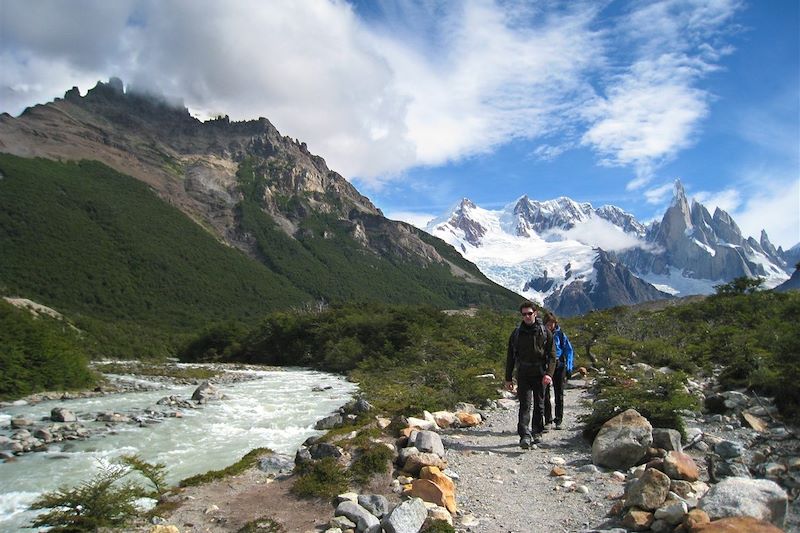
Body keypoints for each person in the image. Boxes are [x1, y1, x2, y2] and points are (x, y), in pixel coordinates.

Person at [504, 301, 555, 449]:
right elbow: (510, 357)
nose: (527, 316)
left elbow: (552, 356)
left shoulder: (546, 332)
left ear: (535, 313)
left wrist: (549, 374)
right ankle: (524, 435)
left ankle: (537, 432)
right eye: (524, 314)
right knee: (525, 405)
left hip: (540, 373)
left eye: (529, 313)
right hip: (524, 373)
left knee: (539, 405)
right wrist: (508, 378)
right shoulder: (516, 333)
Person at [543, 314, 574, 430]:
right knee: (545, 394)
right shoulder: (541, 333)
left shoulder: (560, 334)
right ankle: (548, 420)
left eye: (552, 323)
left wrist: (569, 367)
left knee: (559, 393)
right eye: (548, 323)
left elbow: (568, 350)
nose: (550, 326)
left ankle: (558, 419)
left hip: (559, 365)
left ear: (555, 323)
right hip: (546, 366)